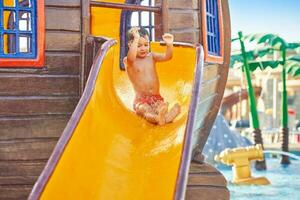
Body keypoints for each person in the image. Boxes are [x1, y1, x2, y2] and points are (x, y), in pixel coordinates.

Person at [123, 27, 181, 125]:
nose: (143, 48)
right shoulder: (129, 61)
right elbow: (131, 57)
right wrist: (136, 38)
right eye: (139, 45)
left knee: (161, 106)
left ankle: (164, 117)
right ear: (130, 45)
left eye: (146, 45)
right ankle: (157, 118)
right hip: (141, 100)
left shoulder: (152, 57)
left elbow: (168, 57)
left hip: (156, 97)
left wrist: (169, 45)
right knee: (146, 110)